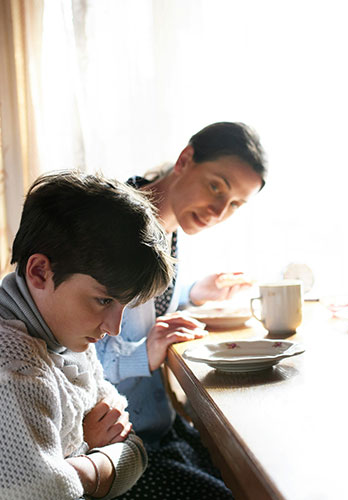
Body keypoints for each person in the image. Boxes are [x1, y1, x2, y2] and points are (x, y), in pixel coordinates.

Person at [96, 122, 267, 498]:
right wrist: (145, 355)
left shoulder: (165, 225)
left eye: (235, 203)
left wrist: (193, 292)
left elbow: (138, 306)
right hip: (113, 448)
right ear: (185, 159)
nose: (220, 210)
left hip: (160, 428)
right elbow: (71, 353)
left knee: (250, 474)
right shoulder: (114, 227)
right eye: (216, 186)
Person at [0, 171, 174, 499]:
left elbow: (132, 445)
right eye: (104, 300)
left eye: (123, 306)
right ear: (40, 272)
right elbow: (48, 492)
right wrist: (87, 453)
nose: (114, 328)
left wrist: (76, 466)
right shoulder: (15, 371)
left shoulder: (65, 335)